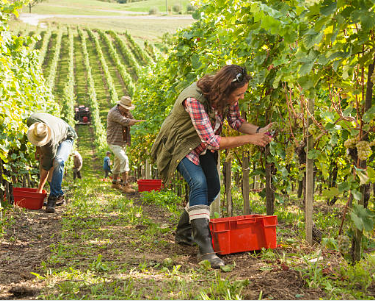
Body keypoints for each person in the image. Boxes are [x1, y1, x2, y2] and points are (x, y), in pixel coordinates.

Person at [151, 65, 273, 269]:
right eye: (239, 94)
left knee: (213, 188)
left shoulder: (227, 96)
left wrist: (261, 131)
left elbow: (235, 121)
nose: (241, 98)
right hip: (182, 143)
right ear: (225, 90)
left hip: (202, 143)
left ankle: (183, 233)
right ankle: (206, 251)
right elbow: (212, 141)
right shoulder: (194, 99)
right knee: (198, 184)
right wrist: (251, 139)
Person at [27, 113, 77, 213]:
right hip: (57, 129)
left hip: (67, 135)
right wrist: (38, 148)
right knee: (50, 164)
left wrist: (39, 189)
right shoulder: (31, 120)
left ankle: (53, 197)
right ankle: (59, 194)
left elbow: (46, 166)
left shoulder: (50, 143)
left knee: (58, 161)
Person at [106, 96, 144, 193]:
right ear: (121, 106)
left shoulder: (126, 112)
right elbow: (126, 122)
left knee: (118, 161)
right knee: (124, 159)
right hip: (114, 141)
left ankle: (114, 183)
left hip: (122, 141)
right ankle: (125, 184)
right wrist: (142, 122)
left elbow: (132, 119)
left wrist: (139, 123)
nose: (128, 110)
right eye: (126, 107)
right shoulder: (114, 112)